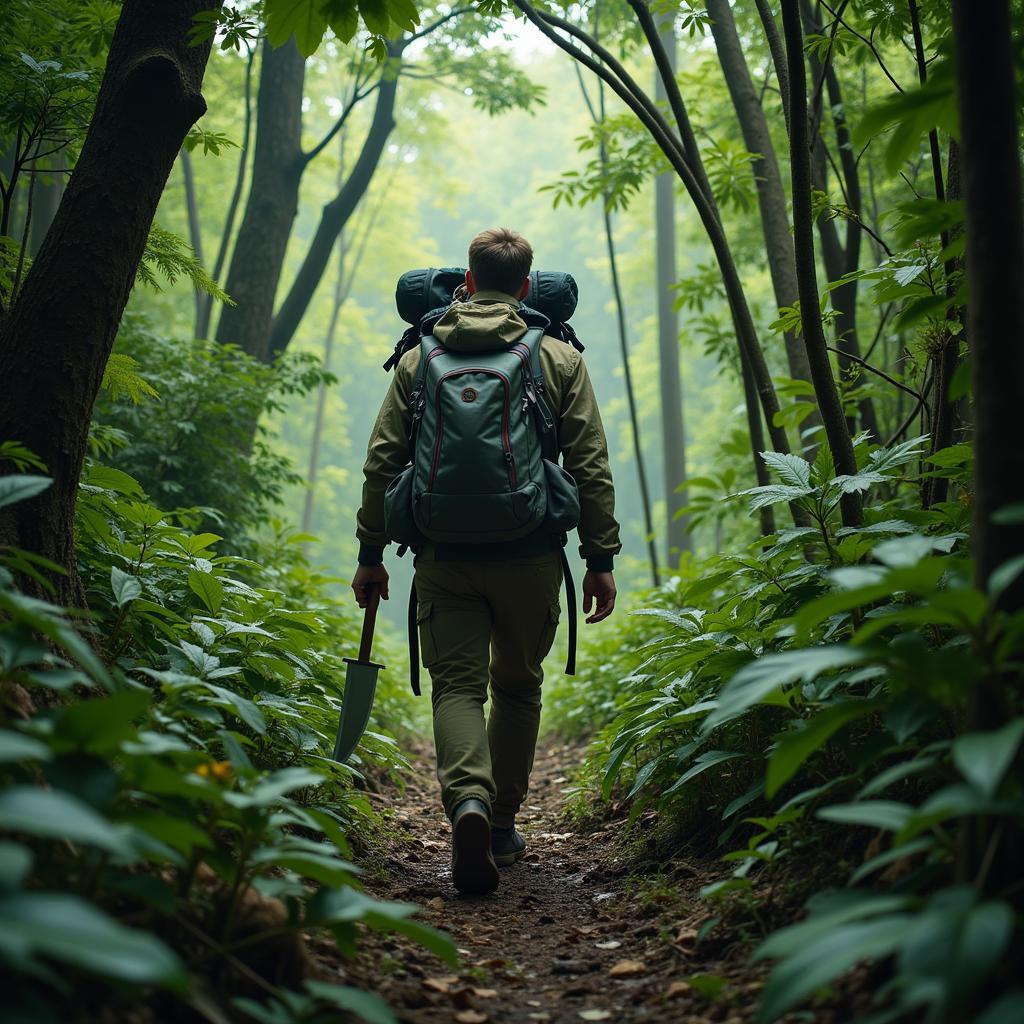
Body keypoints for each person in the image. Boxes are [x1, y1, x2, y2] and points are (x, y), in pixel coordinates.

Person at [352, 227, 620, 895]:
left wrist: (370, 554)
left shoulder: (421, 356)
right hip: (530, 554)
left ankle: (466, 801)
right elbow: (590, 465)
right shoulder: (557, 355)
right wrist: (599, 556)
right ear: (529, 288)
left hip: (445, 555)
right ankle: (499, 826)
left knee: (458, 688)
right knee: (519, 686)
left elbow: (384, 460)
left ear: (464, 283)